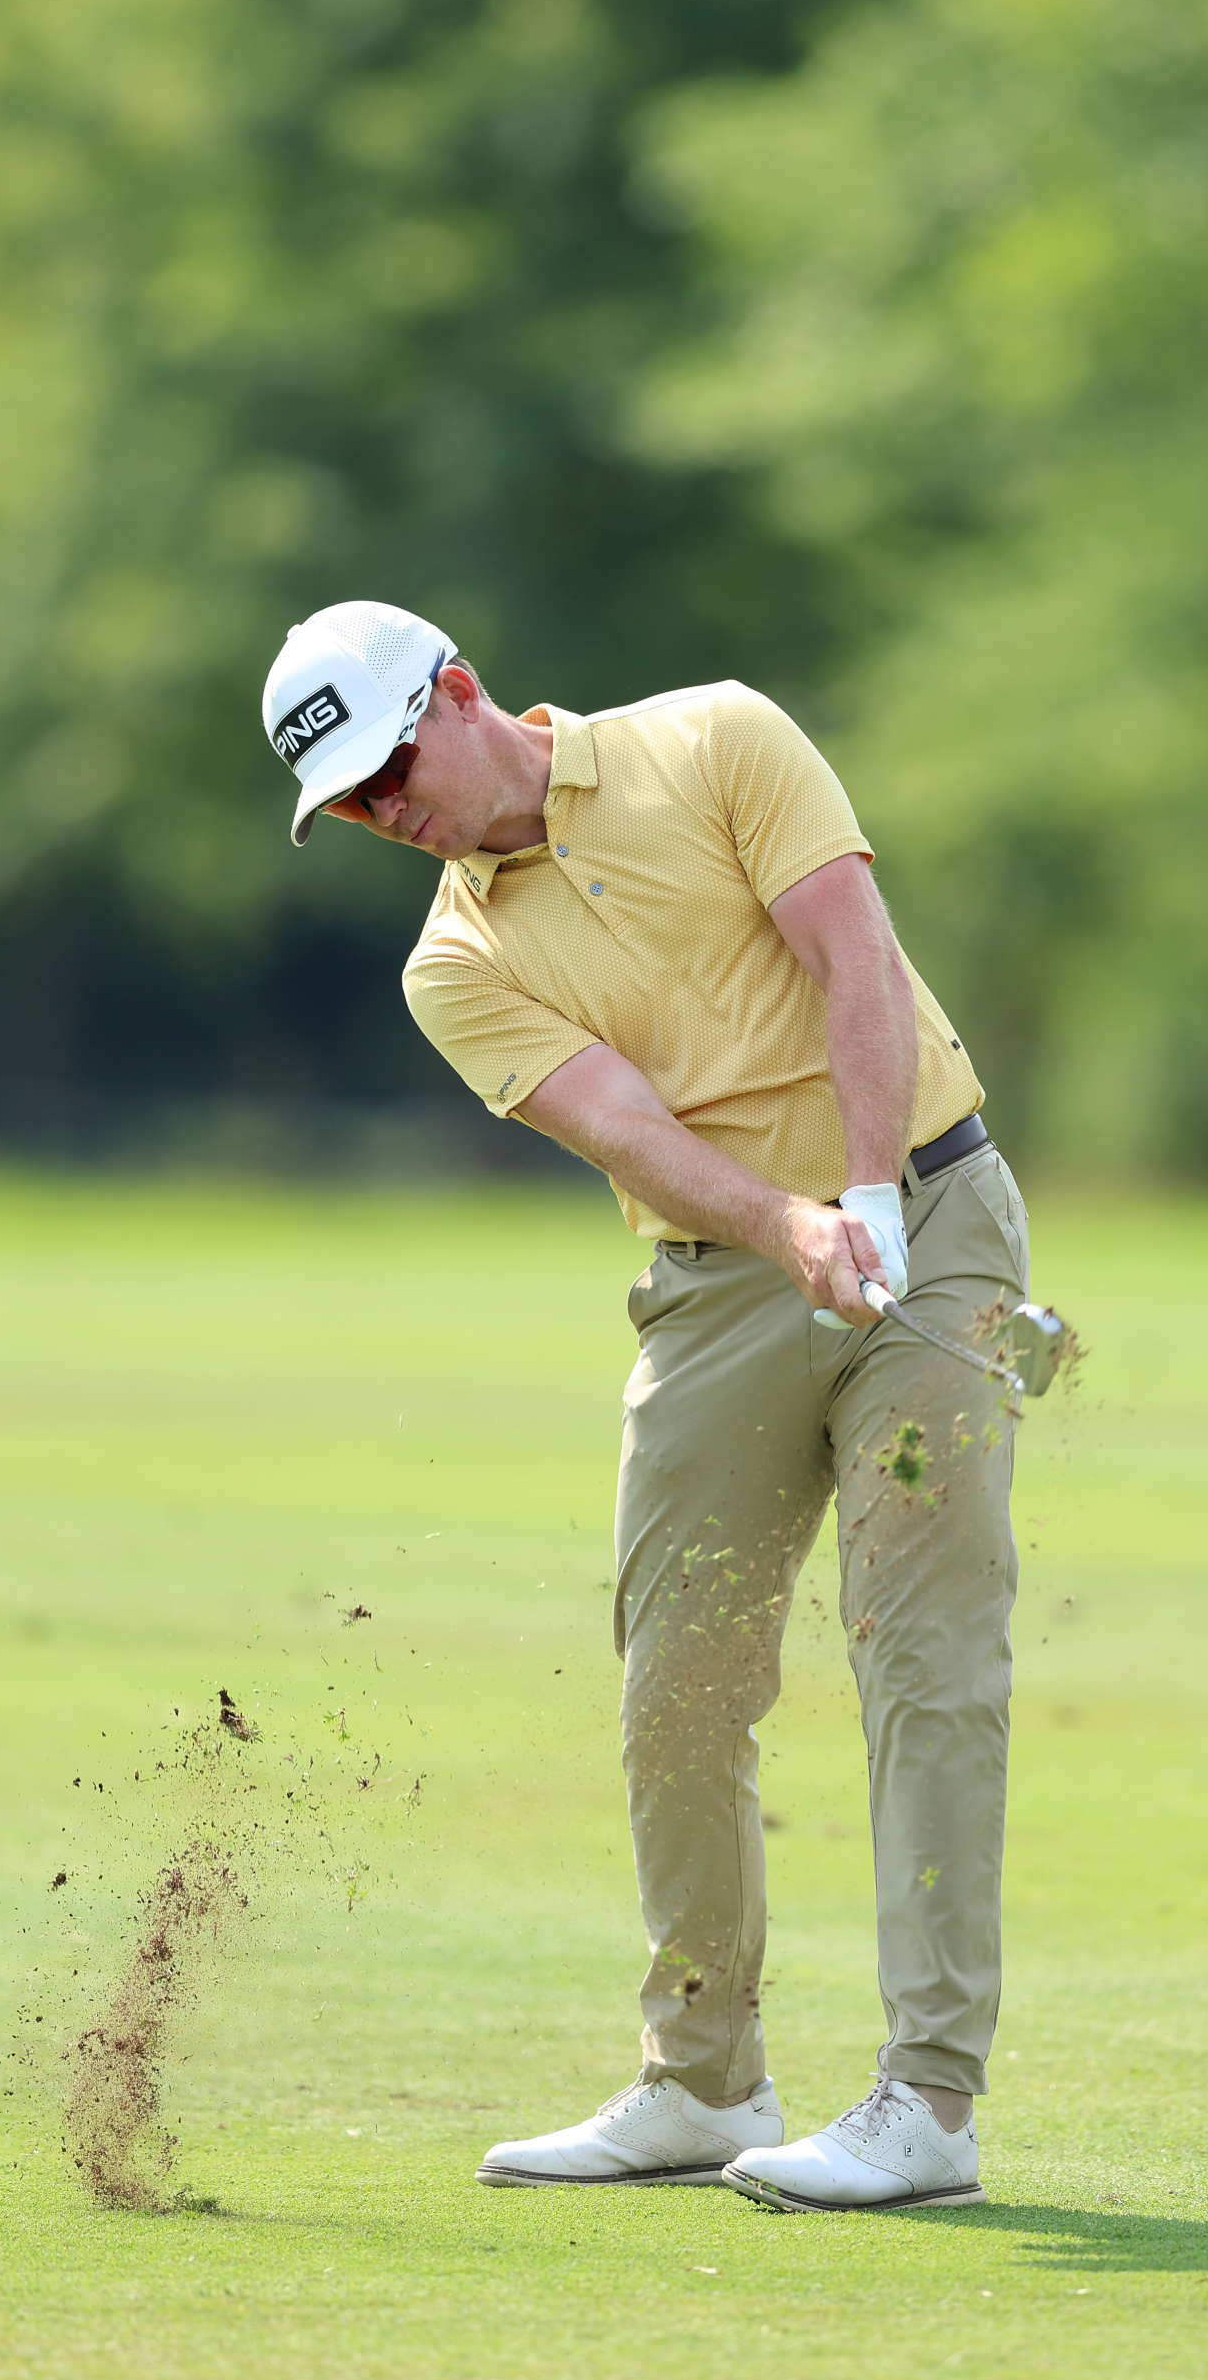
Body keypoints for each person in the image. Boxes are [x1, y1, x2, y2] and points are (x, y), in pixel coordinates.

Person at [260, 598, 1031, 2212]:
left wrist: (872, 1199)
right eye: (354, 812)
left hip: (935, 1226)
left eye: (391, 771)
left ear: (459, 694)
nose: (387, 818)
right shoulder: (453, 962)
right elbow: (628, 1128)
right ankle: (705, 2083)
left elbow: (855, 959)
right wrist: (792, 1227)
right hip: (720, 1281)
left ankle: (928, 2103)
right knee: (676, 1684)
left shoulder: (718, 736)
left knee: (923, 1648)